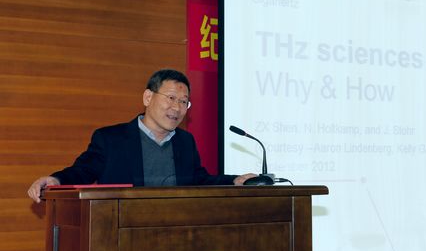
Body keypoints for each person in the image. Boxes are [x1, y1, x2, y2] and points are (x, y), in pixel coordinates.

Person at [27, 69, 255, 203]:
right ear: (148, 97)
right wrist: (56, 180)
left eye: (184, 102)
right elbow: (82, 172)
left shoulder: (185, 142)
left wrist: (234, 181)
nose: (177, 108)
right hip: (123, 238)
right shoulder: (111, 139)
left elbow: (199, 180)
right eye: (171, 98)